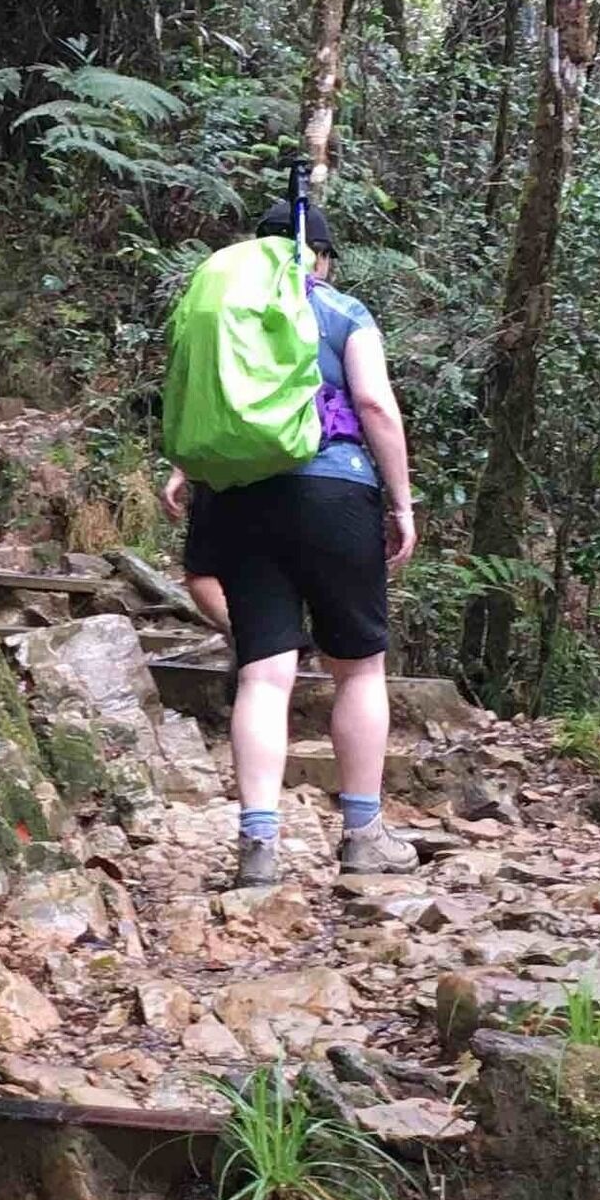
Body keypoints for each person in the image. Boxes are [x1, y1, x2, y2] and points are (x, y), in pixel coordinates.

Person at [162, 203, 420, 887]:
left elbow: (199, 401)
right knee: (359, 667)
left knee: (263, 672)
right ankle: (363, 835)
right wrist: (400, 501)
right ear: (323, 257)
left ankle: (259, 850)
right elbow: (373, 406)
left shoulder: (221, 312)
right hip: (334, 490)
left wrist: (188, 467)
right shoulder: (342, 311)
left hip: (238, 494)